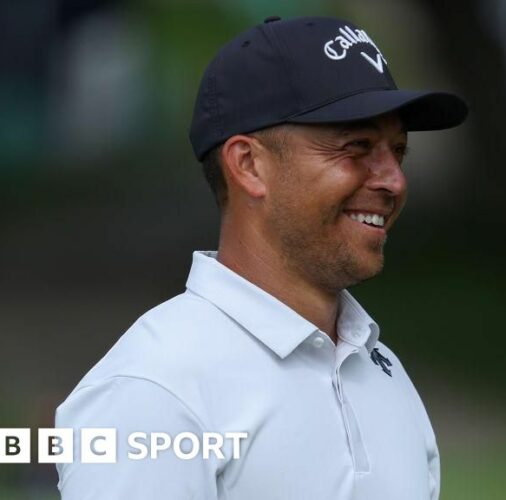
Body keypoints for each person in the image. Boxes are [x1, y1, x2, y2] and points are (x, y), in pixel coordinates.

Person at [54, 15, 467, 500]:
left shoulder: (382, 372)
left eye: (398, 152)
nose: (393, 180)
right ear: (249, 165)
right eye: (356, 146)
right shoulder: (154, 390)